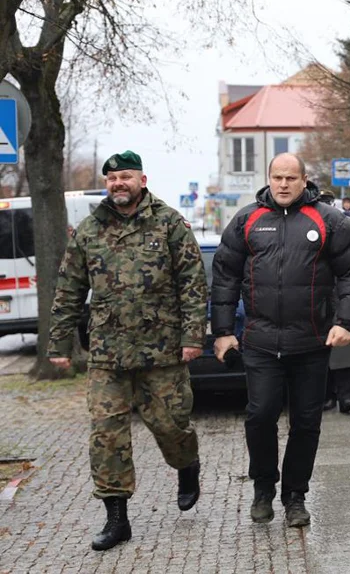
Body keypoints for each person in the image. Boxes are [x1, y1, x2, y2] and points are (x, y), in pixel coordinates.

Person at [47, 150, 207, 551]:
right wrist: (59, 344)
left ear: (142, 180)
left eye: (126, 177)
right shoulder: (88, 230)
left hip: (162, 350)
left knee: (171, 425)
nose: (118, 184)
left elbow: (192, 282)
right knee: (107, 437)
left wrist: (192, 337)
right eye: (112, 179)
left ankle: (187, 464)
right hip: (107, 354)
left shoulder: (169, 223)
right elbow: (68, 290)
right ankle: (117, 519)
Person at [211, 153, 350, 528]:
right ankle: (263, 487)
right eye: (277, 177)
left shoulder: (329, 220)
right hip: (261, 341)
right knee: (261, 414)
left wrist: (346, 321)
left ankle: (295, 495)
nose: (283, 184)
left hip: (311, 342)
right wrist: (222, 332)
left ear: (303, 181)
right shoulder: (247, 220)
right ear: (269, 179)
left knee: (307, 422)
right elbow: (225, 276)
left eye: (290, 178)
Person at [319, 191, 350, 415]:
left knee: (347, 348)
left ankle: (346, 396)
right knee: (323, 350)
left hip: (343, 292)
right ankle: (328, 394)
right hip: (320, 294)